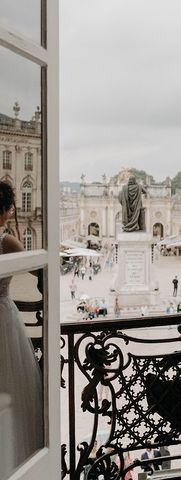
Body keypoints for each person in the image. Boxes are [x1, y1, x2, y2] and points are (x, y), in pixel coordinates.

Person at [0, 181, 44, 470]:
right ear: (5, 210)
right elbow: (43, 273)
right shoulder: (5, 241)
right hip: (3, 319)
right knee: (12, 393)